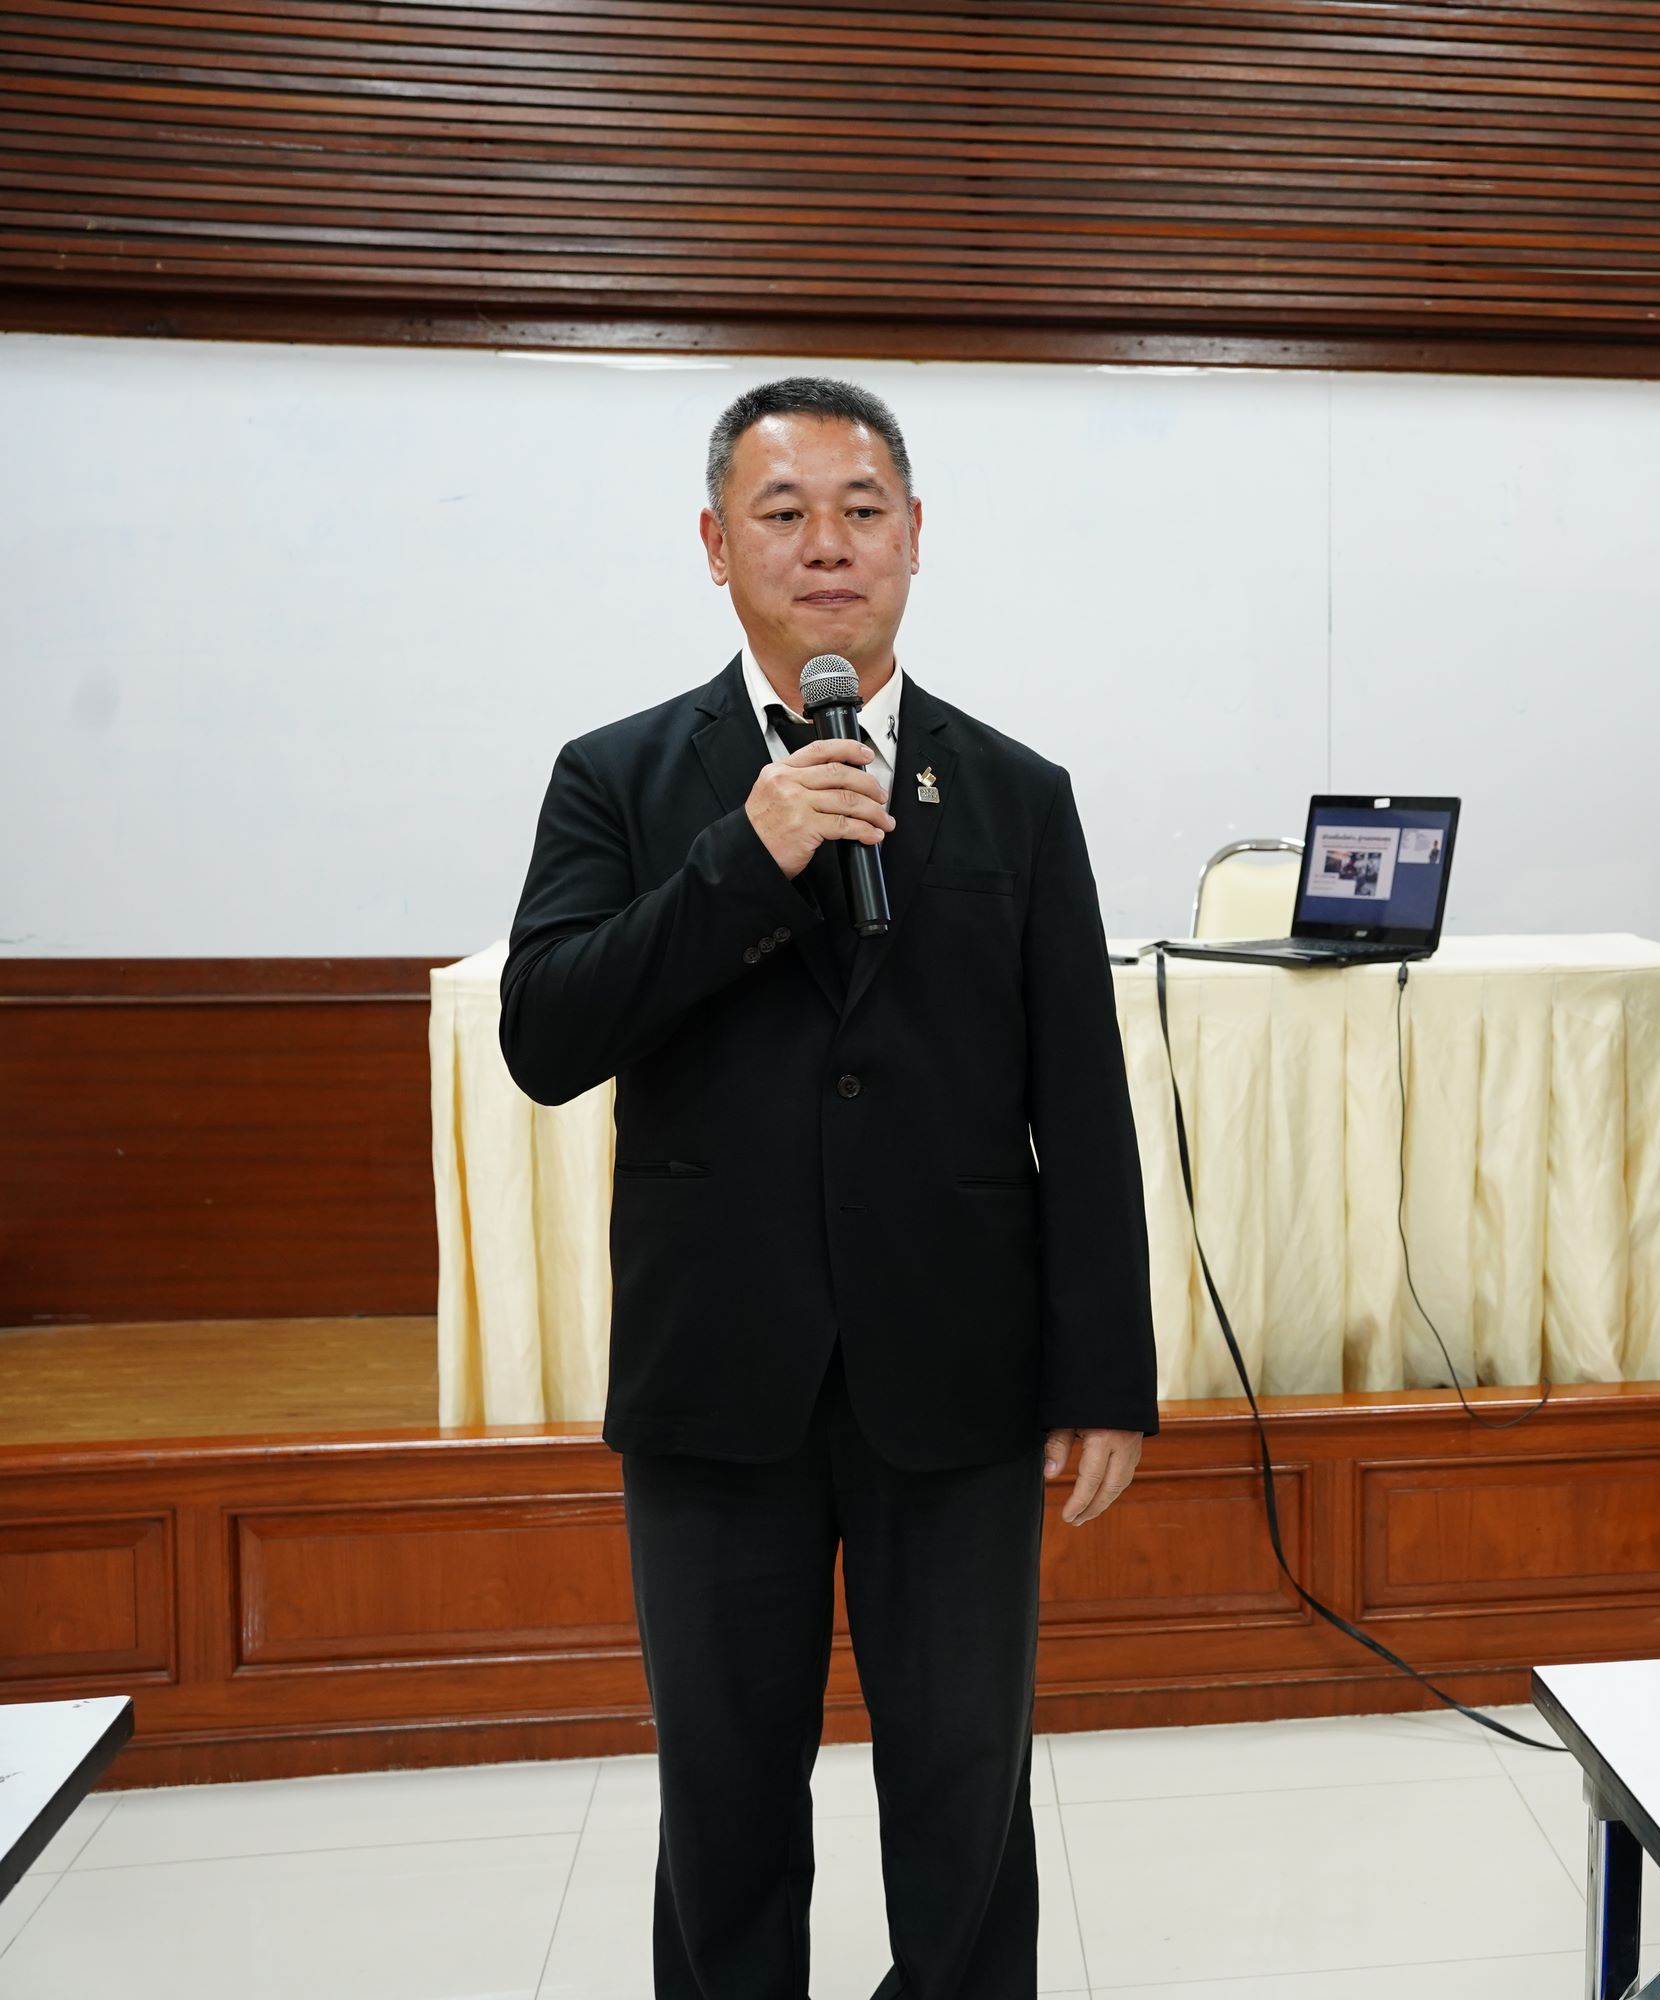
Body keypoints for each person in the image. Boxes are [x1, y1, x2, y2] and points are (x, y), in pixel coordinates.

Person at [502, 376, 1156, 1999]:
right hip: (719, 1377)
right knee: (726, 1805)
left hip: (959, 1376)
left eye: (863, 511)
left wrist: (1106, 1374)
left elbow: (1082, 1102)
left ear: (916, 537)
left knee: (966, 1799)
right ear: (716, 543)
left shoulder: (1015, 792)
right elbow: (547, 1036)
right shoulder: (620, 776)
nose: (827, 545)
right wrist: (746, 855)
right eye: (783, 513)